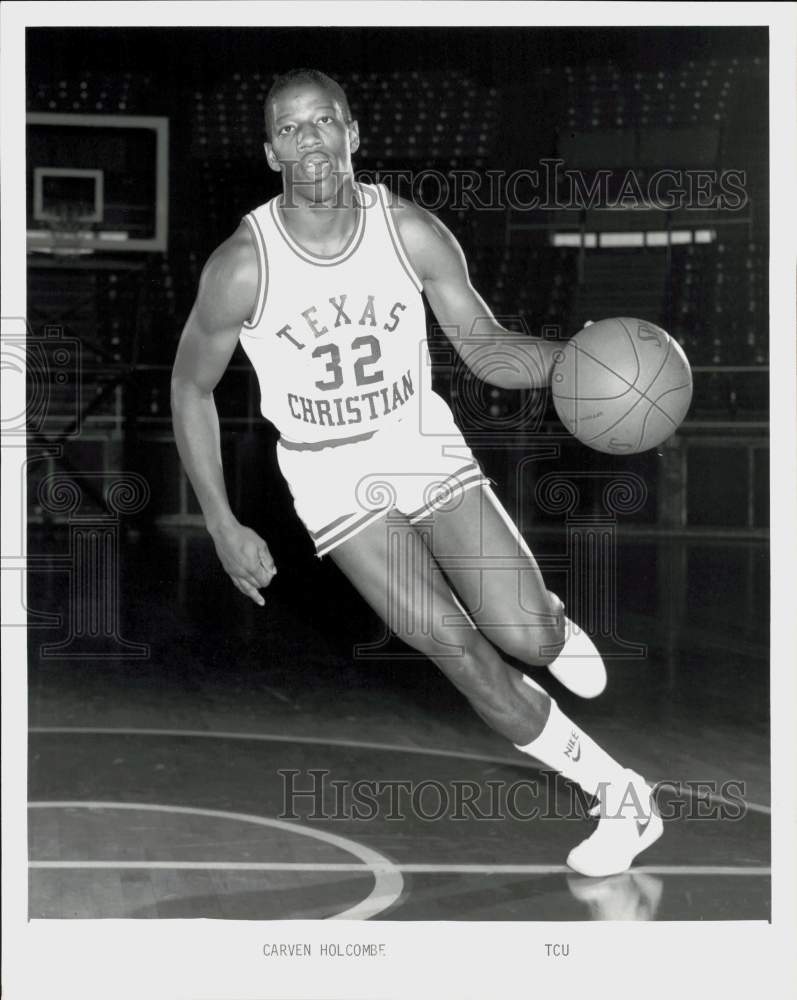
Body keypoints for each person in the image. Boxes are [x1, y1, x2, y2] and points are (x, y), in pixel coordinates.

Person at [170, 67, 662, 877]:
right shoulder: (241, 267)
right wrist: (222, 522)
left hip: (420, 446)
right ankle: (618, 795)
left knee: (522, 634)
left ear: (353, 133)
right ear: (269, 152)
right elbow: (190, 387)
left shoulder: (410, 231)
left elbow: (484, 347)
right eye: (290, 130)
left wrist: (573, 362)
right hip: (331, 479)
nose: (310, 141)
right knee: (455, 650)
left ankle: (549, 623)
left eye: (323, 121)